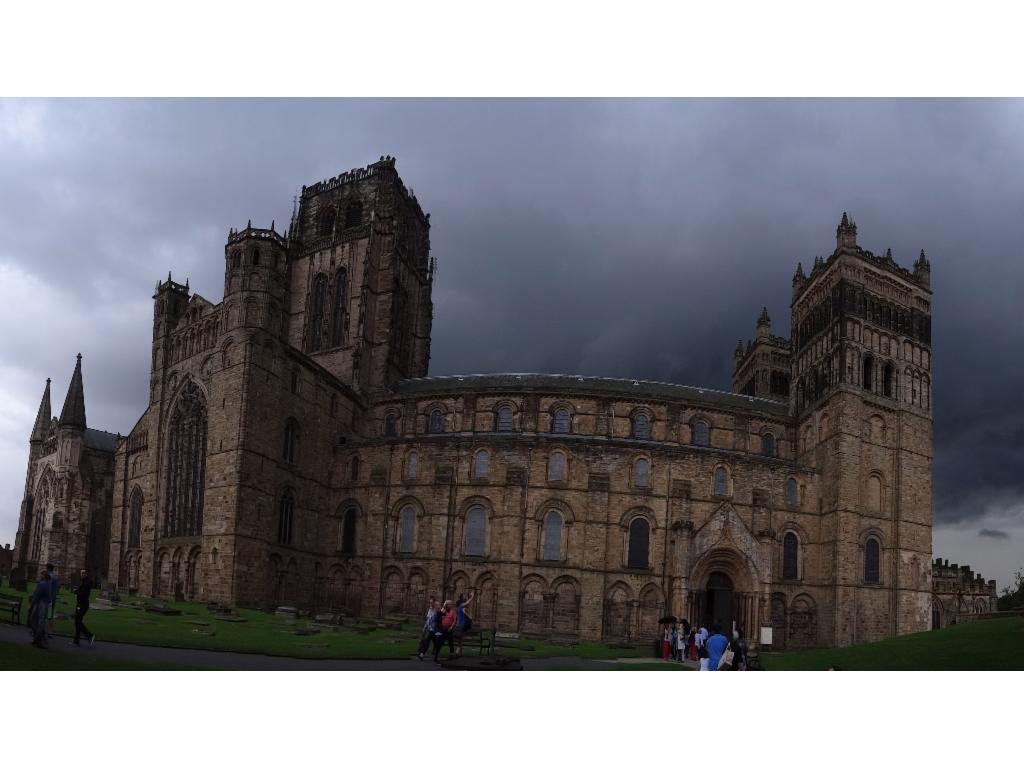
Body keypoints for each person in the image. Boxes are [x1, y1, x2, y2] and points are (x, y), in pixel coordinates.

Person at [72, 568, 95, 647]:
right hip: (80, 604)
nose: (82, 574)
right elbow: (78, 590)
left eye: (83, 573)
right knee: (77, 621)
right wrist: (76, 591)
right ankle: (76, 640)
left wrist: (76, 592)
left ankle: (89, 636)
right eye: (81, 573)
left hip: (83, 605)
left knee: (77, 621)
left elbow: (82, 592)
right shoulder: (83, 582)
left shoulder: (88, 582)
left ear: (86, 574)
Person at [28, 568, 51, 648]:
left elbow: (37, 595)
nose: (39, 576)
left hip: (40, 605)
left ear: (44, 576)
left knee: (35, 622)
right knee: (40, 623)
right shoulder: (48, 584)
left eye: (40, 575)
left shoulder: (42, 584)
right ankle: (38, 640)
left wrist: (31, 603)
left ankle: (39, 640)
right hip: (45, 605)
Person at [453, 590, 475, 657]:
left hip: (459, 624)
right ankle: (458, 653)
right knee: (460, 639)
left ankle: (459, 653)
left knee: (460, 640)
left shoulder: (457, 608)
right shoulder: (461, 606)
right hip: (461, 625)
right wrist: (472, 596)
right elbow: (467, 602)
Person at [46, 563, 59, 638]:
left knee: (42, 614)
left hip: (46, 600)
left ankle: (40, 630)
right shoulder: (56, 577)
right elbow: (57, 588)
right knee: (50, 616)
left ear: (48, 568)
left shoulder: (48, 577)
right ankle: (50, 632)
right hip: (52, 600)